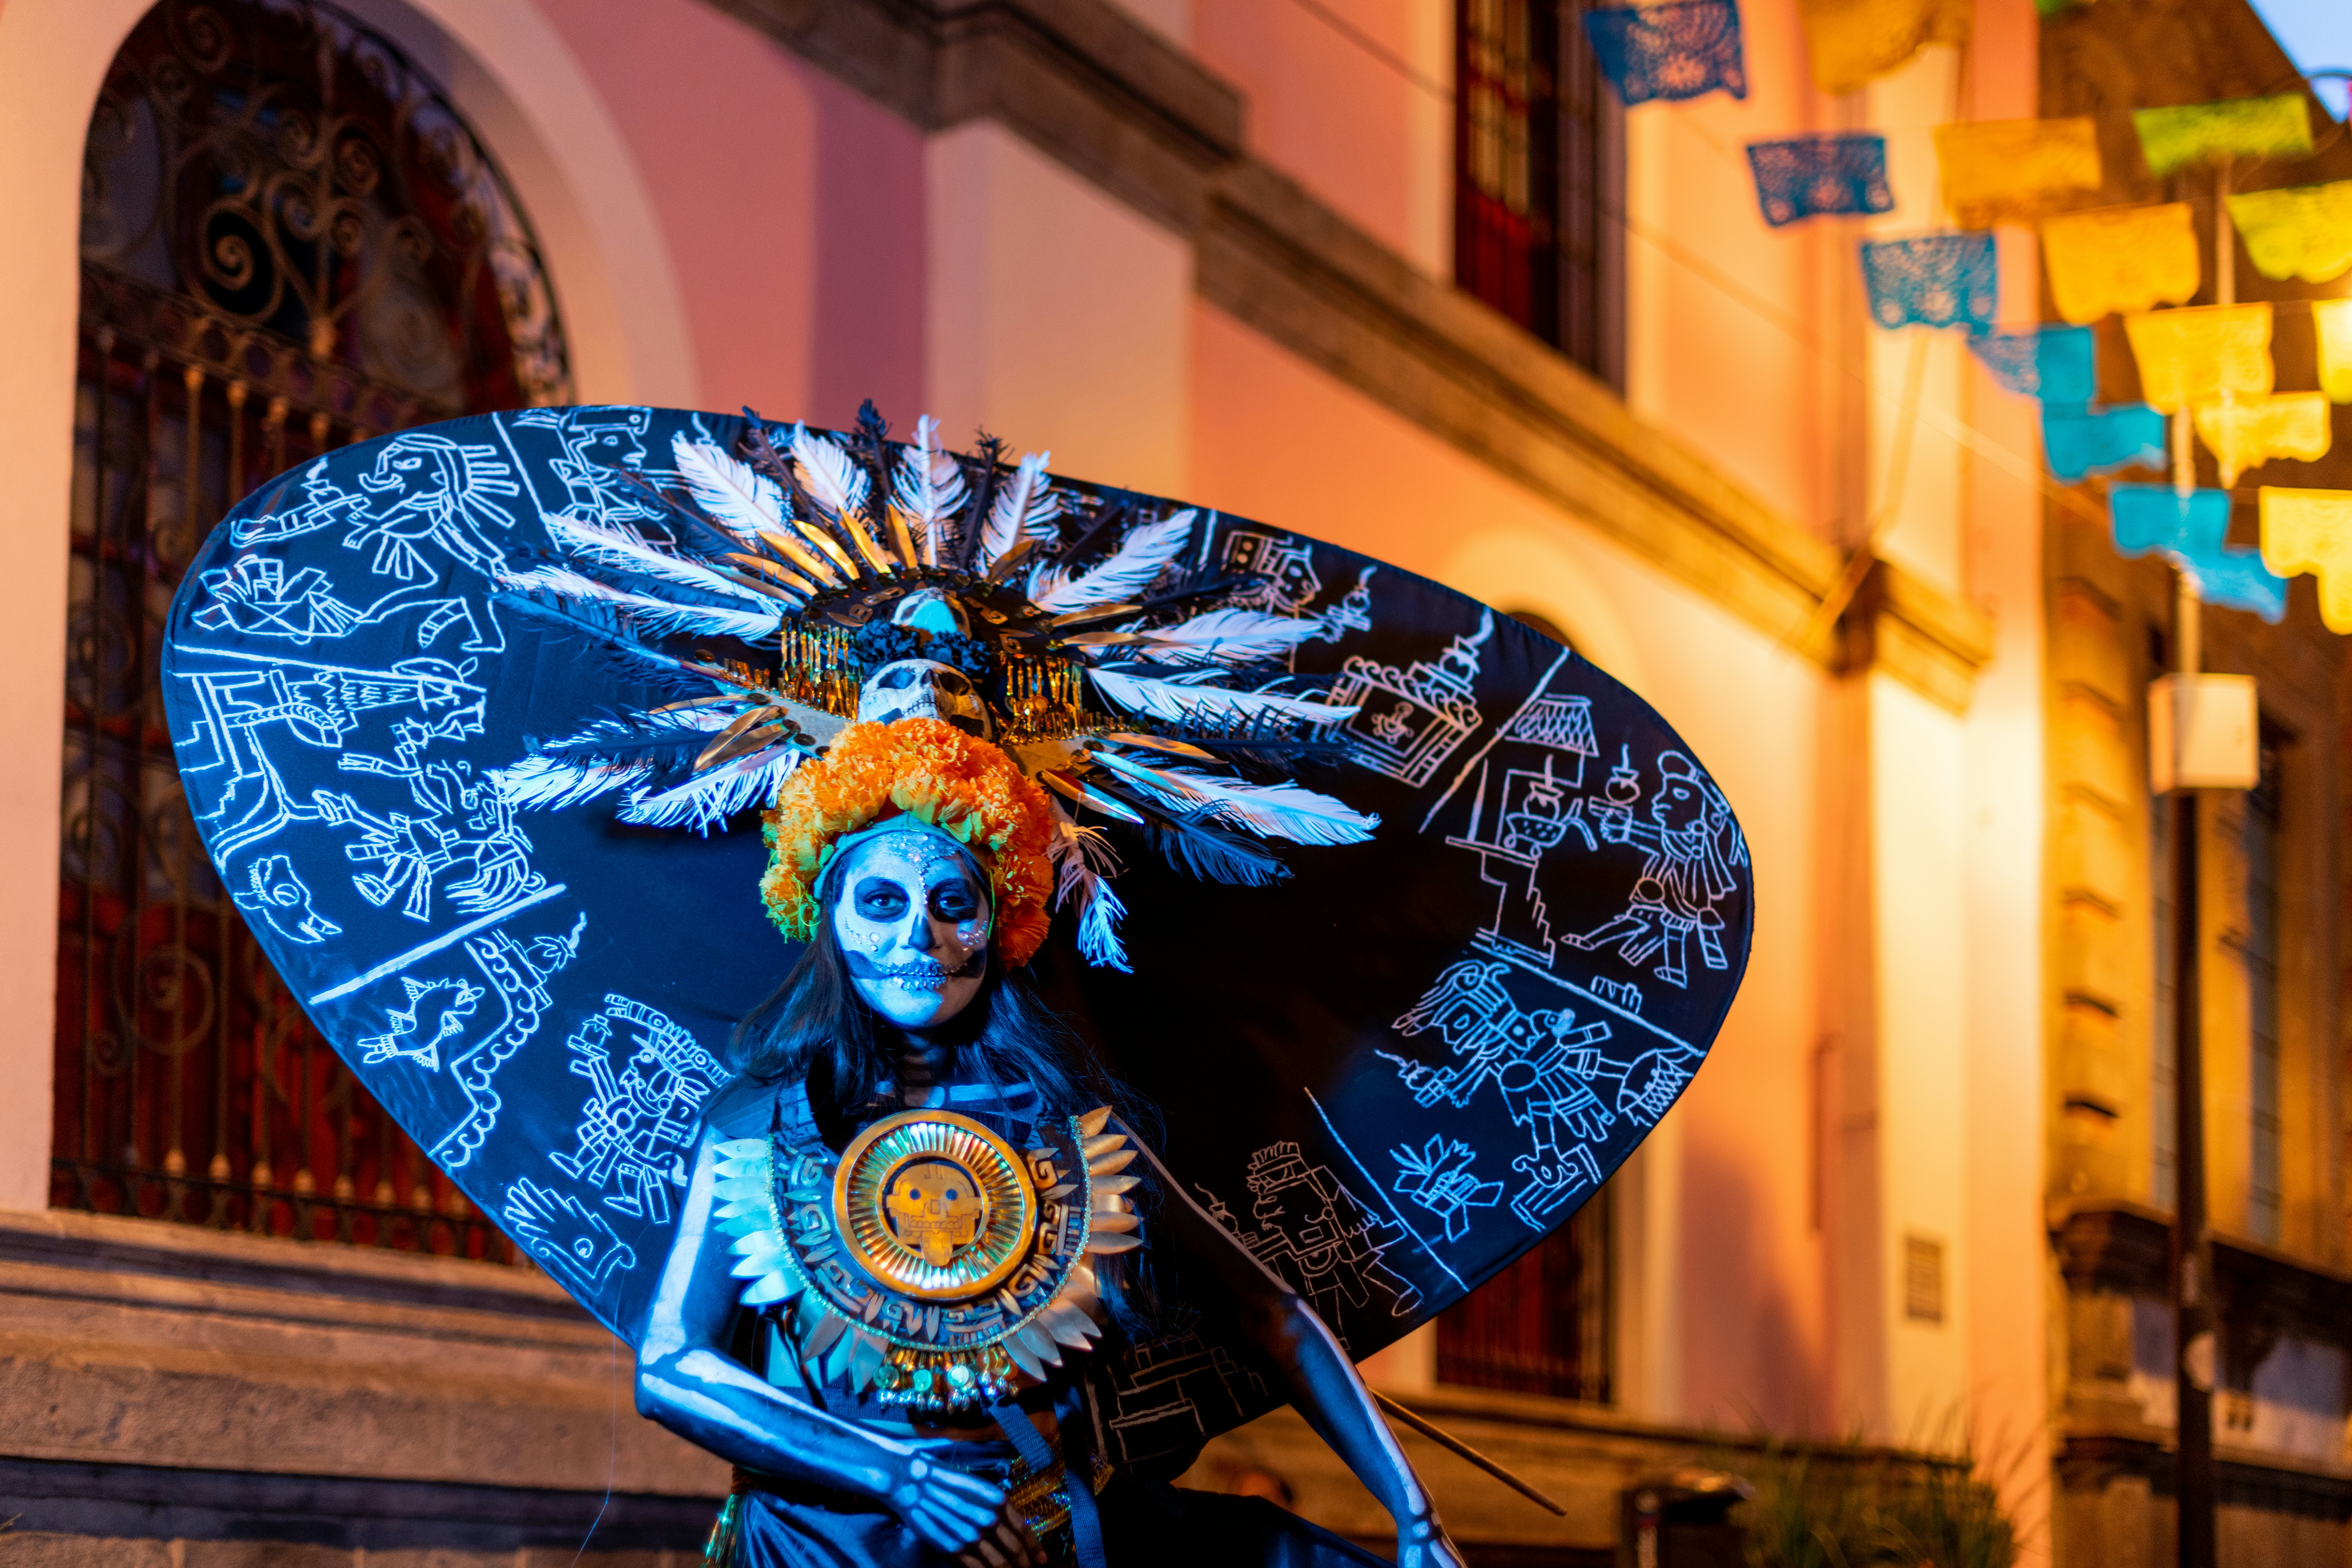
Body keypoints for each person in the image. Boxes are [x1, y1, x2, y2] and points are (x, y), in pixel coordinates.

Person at [634, 718, 1467, 1567]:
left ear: (999, 925)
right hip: (820, 1547)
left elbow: (1268, 1311)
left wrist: (1413, 1511)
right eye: (882, 902)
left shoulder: (1070, 1129)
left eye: (952, 903)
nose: (920, 936)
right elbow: (669, 1364)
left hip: (1046, 1538)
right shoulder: (762, 1121)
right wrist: (897, 1474)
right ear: (828, 919)